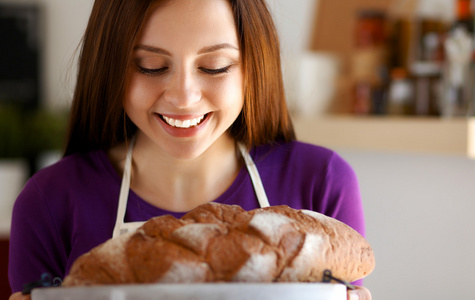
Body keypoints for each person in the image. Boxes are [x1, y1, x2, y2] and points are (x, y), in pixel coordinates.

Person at [9, 0, 371, 299]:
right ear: (109, 68)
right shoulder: (50, 201)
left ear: (252, 68)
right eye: (150, 66)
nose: (184, 97)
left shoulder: (320, 181)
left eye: (215, 67)